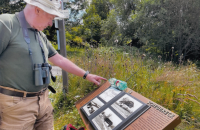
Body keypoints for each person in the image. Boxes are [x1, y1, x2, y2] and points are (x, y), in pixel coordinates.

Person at [0, 0, 106, 129]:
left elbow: (59, 59)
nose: (51, 24)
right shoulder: (6, 24)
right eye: (50, 18)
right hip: (15, 107)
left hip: (43, 102)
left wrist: (86, 75)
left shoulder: (40, 36)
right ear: (37, 10)